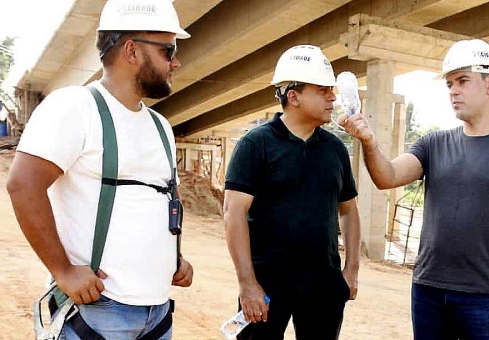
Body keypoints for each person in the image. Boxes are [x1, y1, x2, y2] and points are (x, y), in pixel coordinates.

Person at [338, 39, 489, 339]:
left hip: (484, 295)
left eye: (463, 81)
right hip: (428, 291)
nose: (453, 90)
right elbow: (387, 177)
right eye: (450, 83)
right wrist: (369, 141)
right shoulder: (433, 144)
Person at [6, 0, 193, 338]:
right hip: (99, 312)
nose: (176, 61)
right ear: (132, 51)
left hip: (158, 311)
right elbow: (23, 185)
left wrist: (174, 259)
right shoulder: (75, 107)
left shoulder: (159, 126)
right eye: (169, 50)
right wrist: (63, 271)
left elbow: (165, 199)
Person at [223, 45, 361, 340]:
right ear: (293, 96)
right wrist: (247, 284)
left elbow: (348, 210)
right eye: (323, 90)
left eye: (332, 90)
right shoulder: (256, 145)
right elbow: (233, 213)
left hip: (323, 285)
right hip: (266, 285)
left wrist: (350, 271)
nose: (333, 97)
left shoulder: (335, 149)